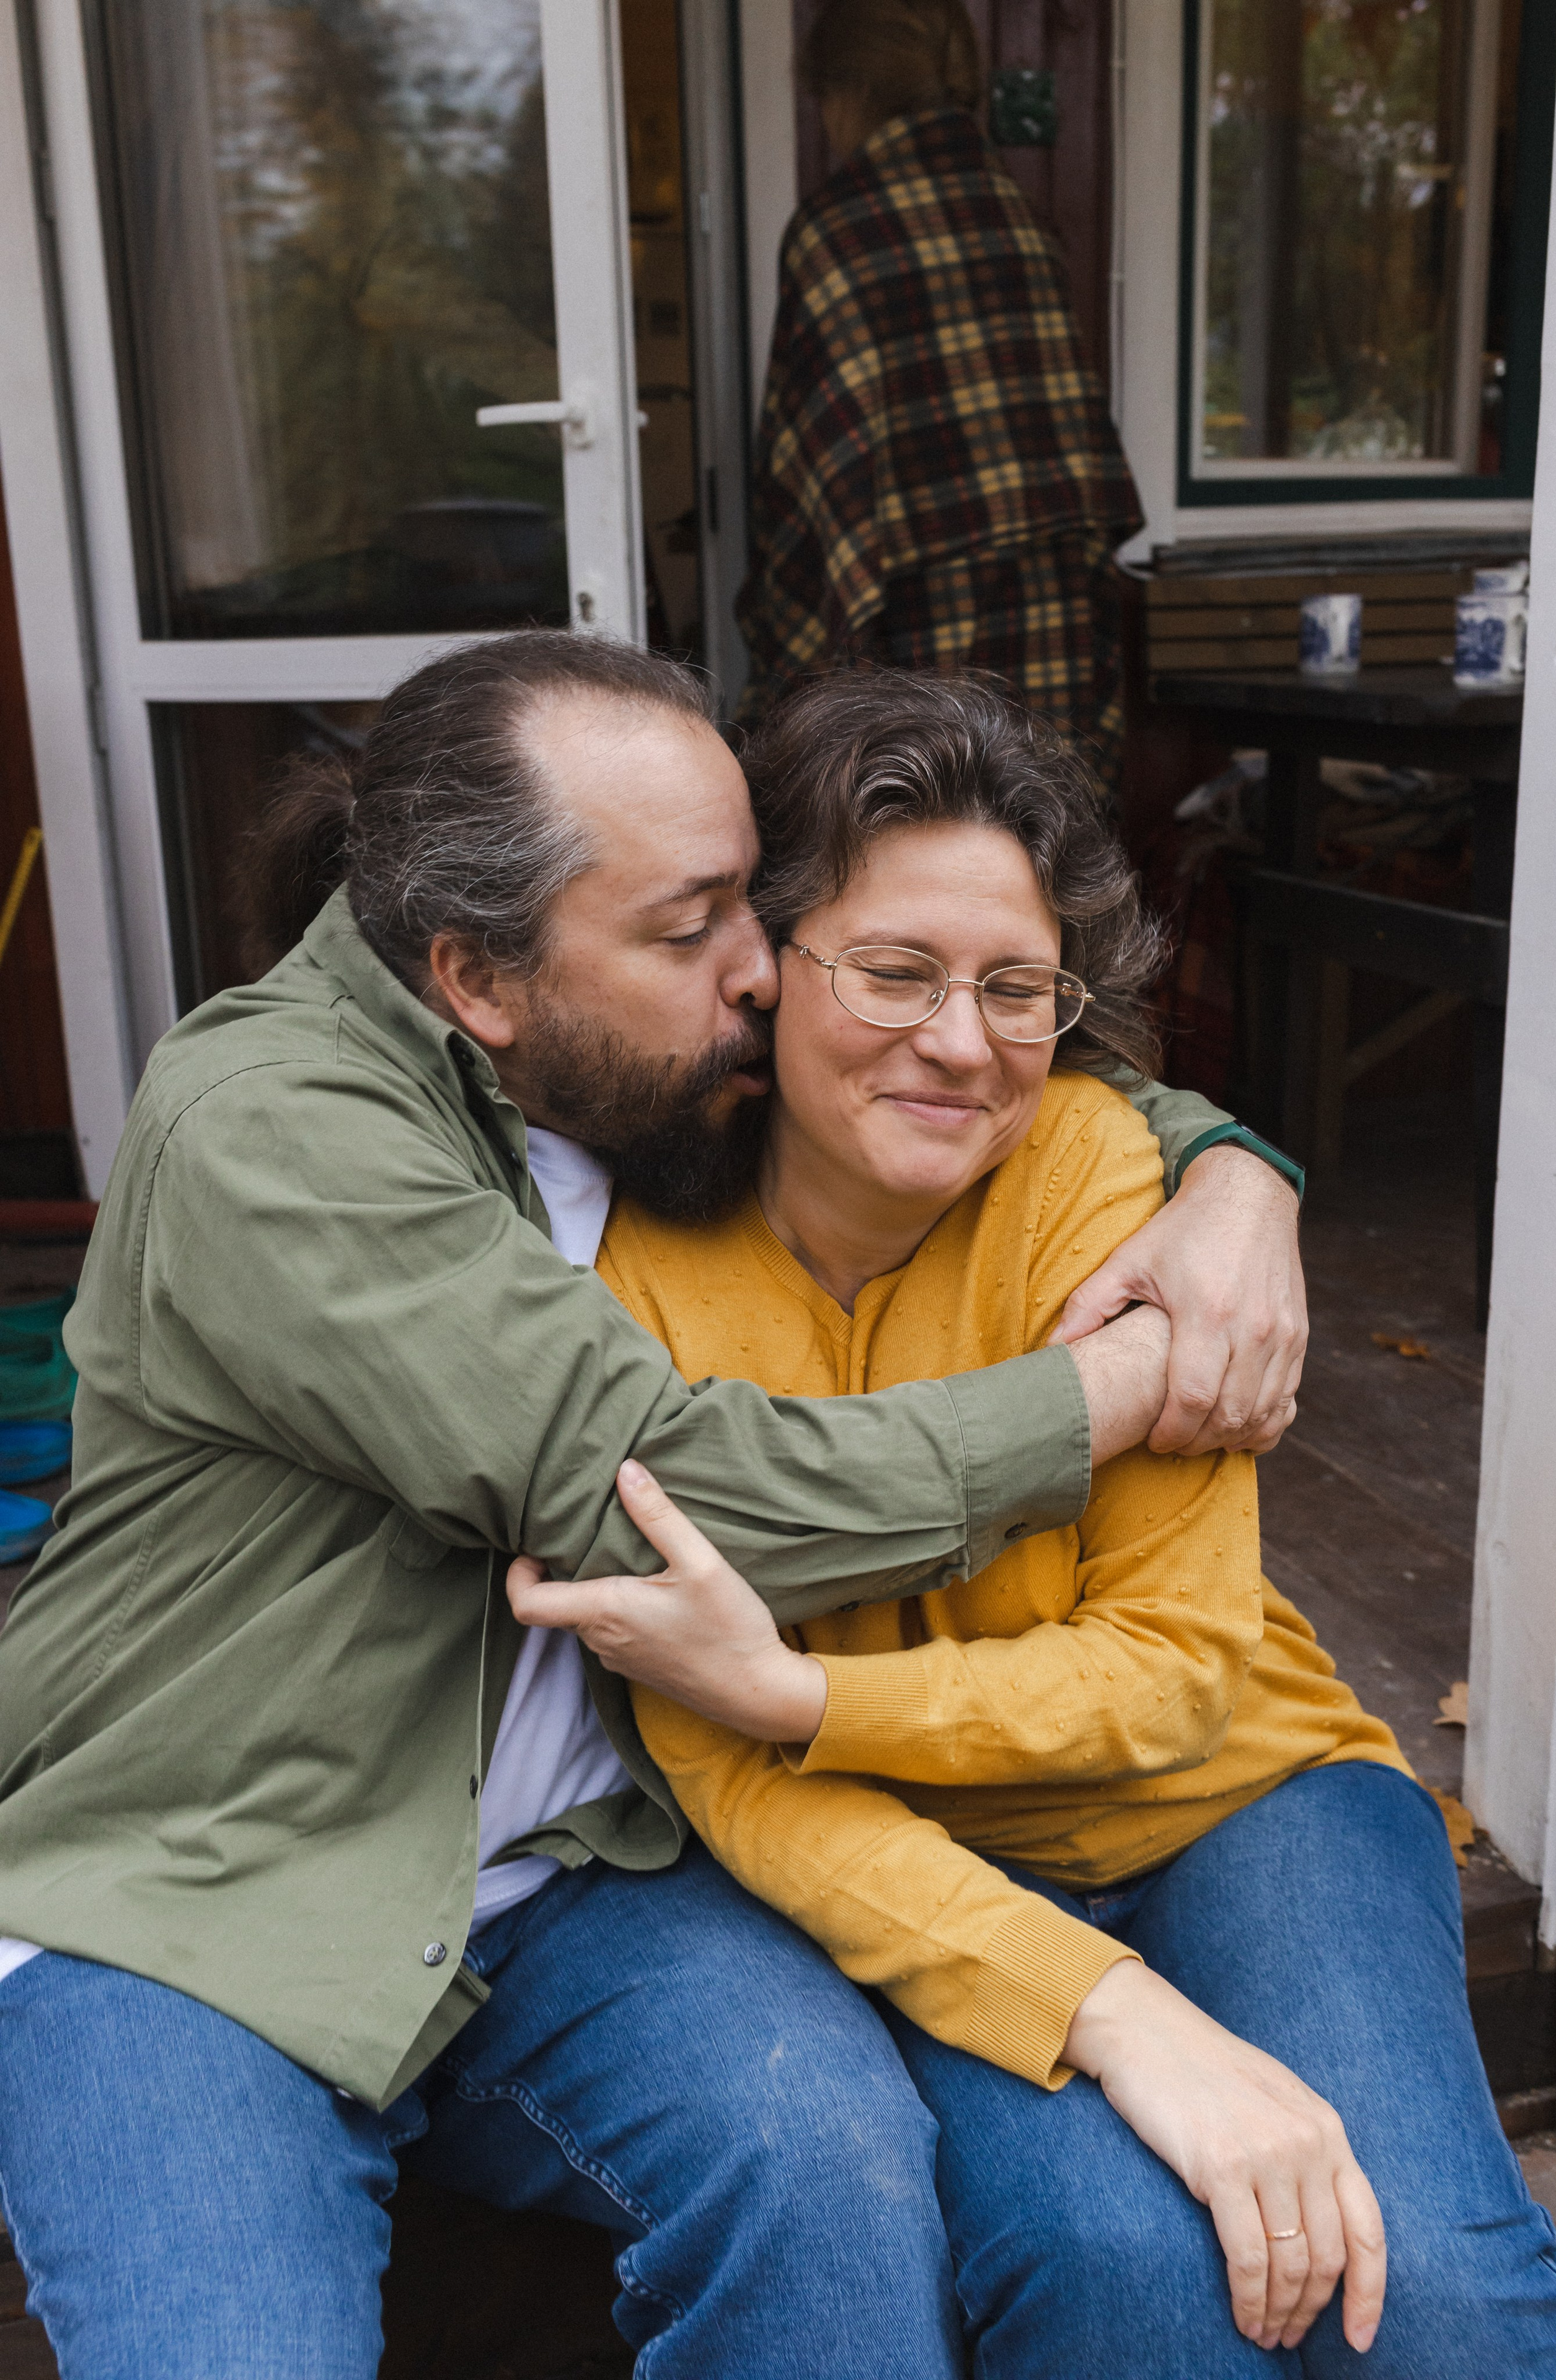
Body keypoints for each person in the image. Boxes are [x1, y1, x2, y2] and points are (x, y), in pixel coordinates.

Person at [0, 631, 1309, 2377]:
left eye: (750, 907)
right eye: (693, 927)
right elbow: (674, 1493)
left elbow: (968, 1038)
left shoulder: (639, 1066)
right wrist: (1123, 1387)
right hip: (204, 1891)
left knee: (835, 2187)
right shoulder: (272, 1125)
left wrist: (1235, 1180)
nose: (761, 972)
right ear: (479, 977)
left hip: (575, 1883)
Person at [515, 671, 1556, 2378]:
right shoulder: (619, 1272)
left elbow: (1167, 1675)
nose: (961, 1040)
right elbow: (712, 1775)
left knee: (1432, 2293)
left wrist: (812, 1705)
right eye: (893, 970)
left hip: (1245, 1803)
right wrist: (795, 1748)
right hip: (916, 1866)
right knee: (1113, 2268)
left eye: (1017, 988)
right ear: (761, 971)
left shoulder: (1099, 1175)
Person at [737, 0, 1142, 785]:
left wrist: (786, 631)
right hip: (1047, 598)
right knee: (1041, 815)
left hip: (907, 619)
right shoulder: (1023, 221)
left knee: (915, 813)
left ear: (847, 94)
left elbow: (810, 488)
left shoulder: (837, 233)